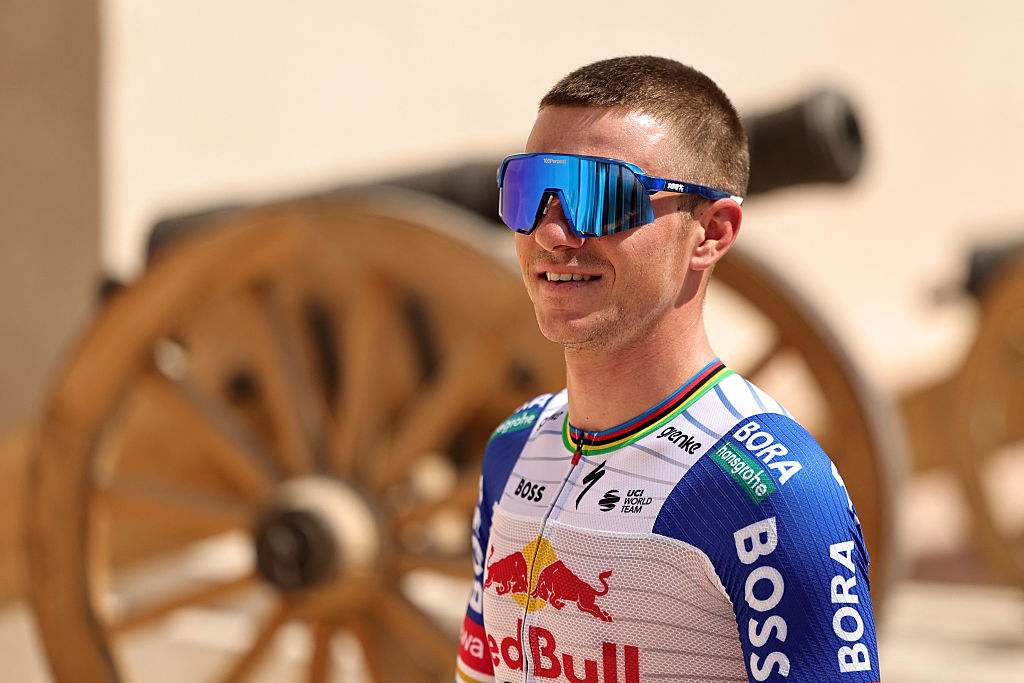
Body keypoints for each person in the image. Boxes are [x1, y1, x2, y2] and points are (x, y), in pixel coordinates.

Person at [456, 56, 879, 683]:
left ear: (711, 231)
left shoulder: (775, 497)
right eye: (527, 191)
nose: (551, 233)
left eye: (600, 195)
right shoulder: (513, 447)